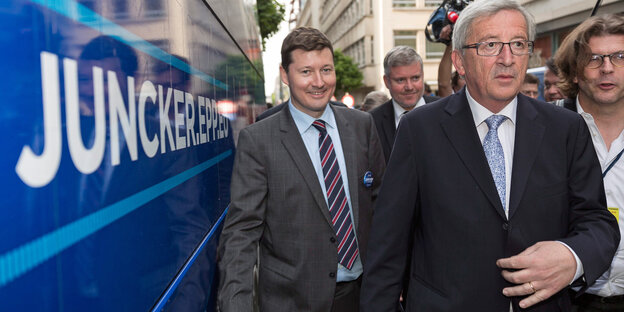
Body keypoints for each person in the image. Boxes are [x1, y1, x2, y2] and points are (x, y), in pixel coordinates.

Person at [361, 0, 620, 311]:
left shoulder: (564, 128)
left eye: (518, 44)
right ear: (459, 61)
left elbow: (597, 222)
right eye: (491, 45)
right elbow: (389, 245)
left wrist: (572, 256)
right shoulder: (419, 130)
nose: (507, 58)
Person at [217, 26, 385, 312]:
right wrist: (236, 304)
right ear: (285, 75)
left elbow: (384, 206)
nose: (319, 82)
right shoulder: (258, 141)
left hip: (366, 296)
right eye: (306, 71)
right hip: (293, 301)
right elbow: (242, 232)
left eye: (326, 70)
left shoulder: (362, 126)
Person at [555, 13, 624, 311]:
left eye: (620, 56)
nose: (607, 68)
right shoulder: (545, 129)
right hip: (565, 299)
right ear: (574, 72)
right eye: (594, 59)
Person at [370, 46, 439, 163]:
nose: (409, 87)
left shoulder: (447, 111)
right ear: (386, 82)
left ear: (422, 76)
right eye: (400, 80)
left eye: (415, 78)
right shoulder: (372, 122)